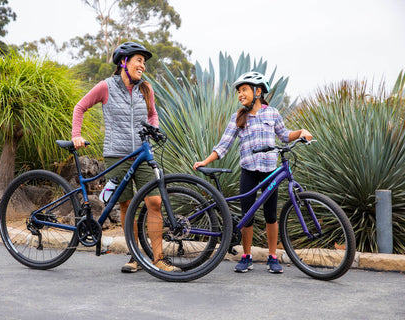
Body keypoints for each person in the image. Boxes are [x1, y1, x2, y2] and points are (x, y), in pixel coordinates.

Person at [71, 42, 179, 273]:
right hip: (116, 154)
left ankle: (158, 258)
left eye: (144, 61)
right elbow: (80, 107)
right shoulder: (106, 86)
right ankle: (134, 256)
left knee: (155, 202)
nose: (143, 65)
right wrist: (76, 135)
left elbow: (152, 114)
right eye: (138, 60)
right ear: (123, 62)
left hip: (142, 153)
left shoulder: (145, 88)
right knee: (127, 204)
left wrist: (154, 130)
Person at [193, 71, 312, 274]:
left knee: (271, 216)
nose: (240, 94)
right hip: (248, 170)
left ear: (258, 92)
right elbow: (224, 144)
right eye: (239, 91)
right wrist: (205, 160)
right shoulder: (238, 117)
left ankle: (272, 256)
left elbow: (284, 136)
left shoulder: (272, 113)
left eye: (244, 90)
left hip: (269, 171)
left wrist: (301, 132)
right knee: (247, 216)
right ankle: (246, 256)